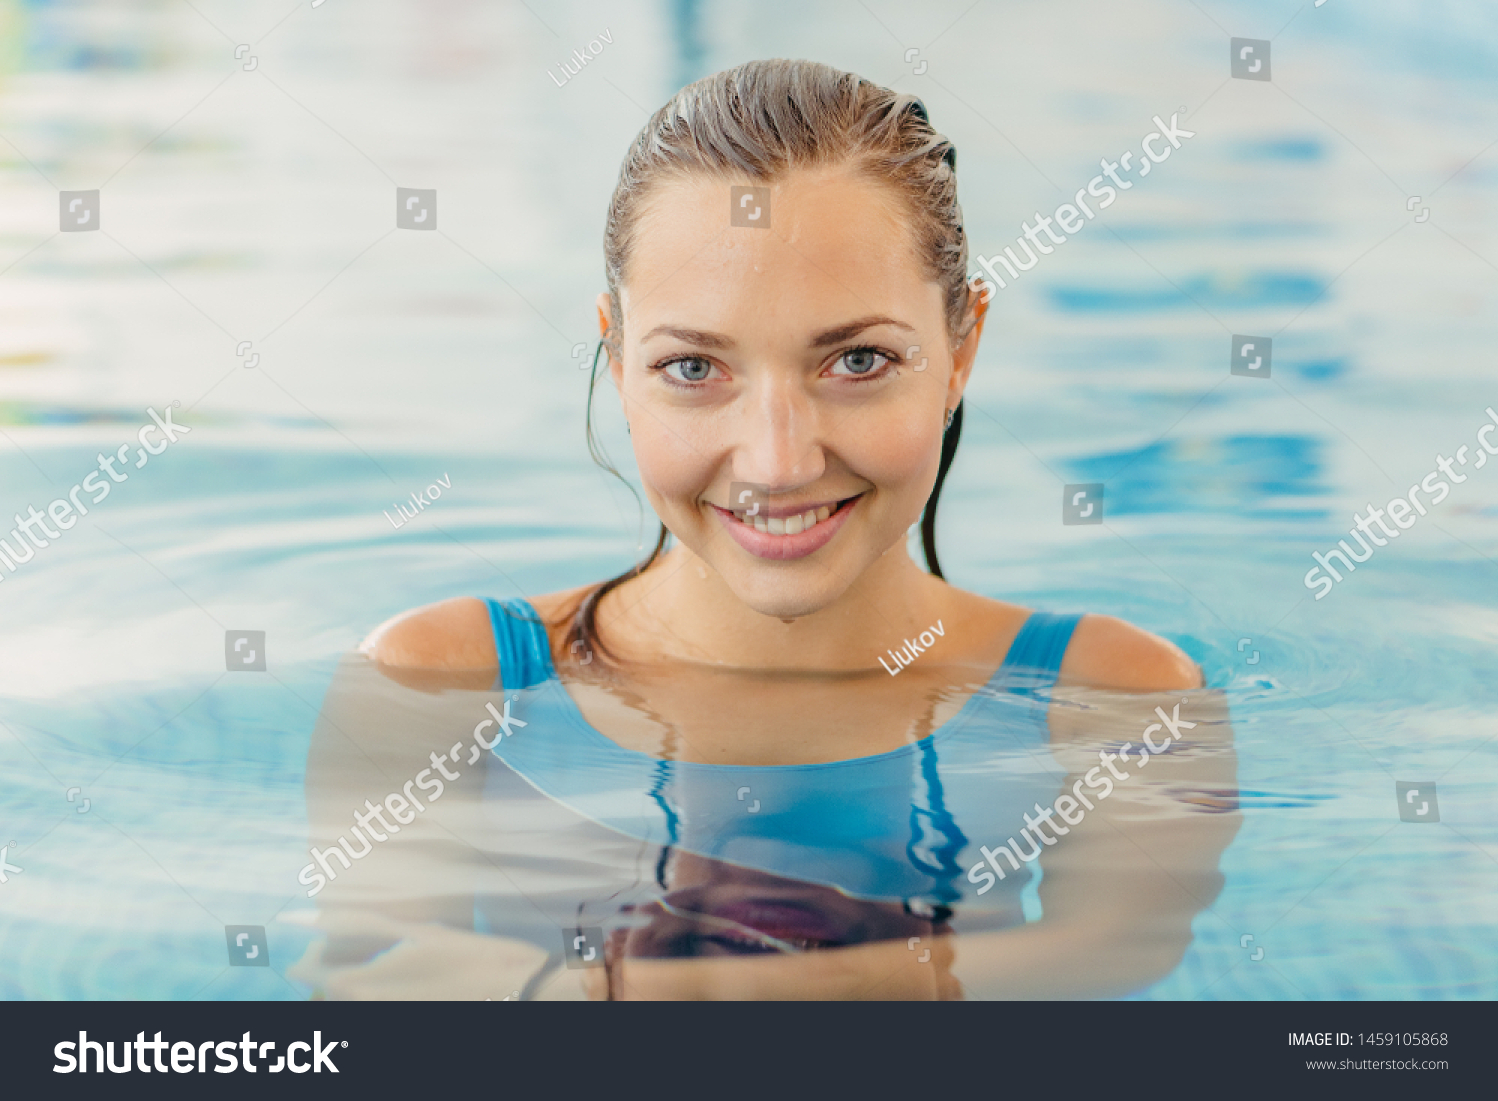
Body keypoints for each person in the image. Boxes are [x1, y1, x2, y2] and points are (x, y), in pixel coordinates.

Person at [310, 59, 1236, 1001]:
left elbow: (1114, 963)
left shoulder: (1114, 703)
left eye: (859, 359)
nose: (777, 462)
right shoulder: (440, 687)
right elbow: (369, 988)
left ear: (962, 349)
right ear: (618, 356)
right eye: (693, 368)